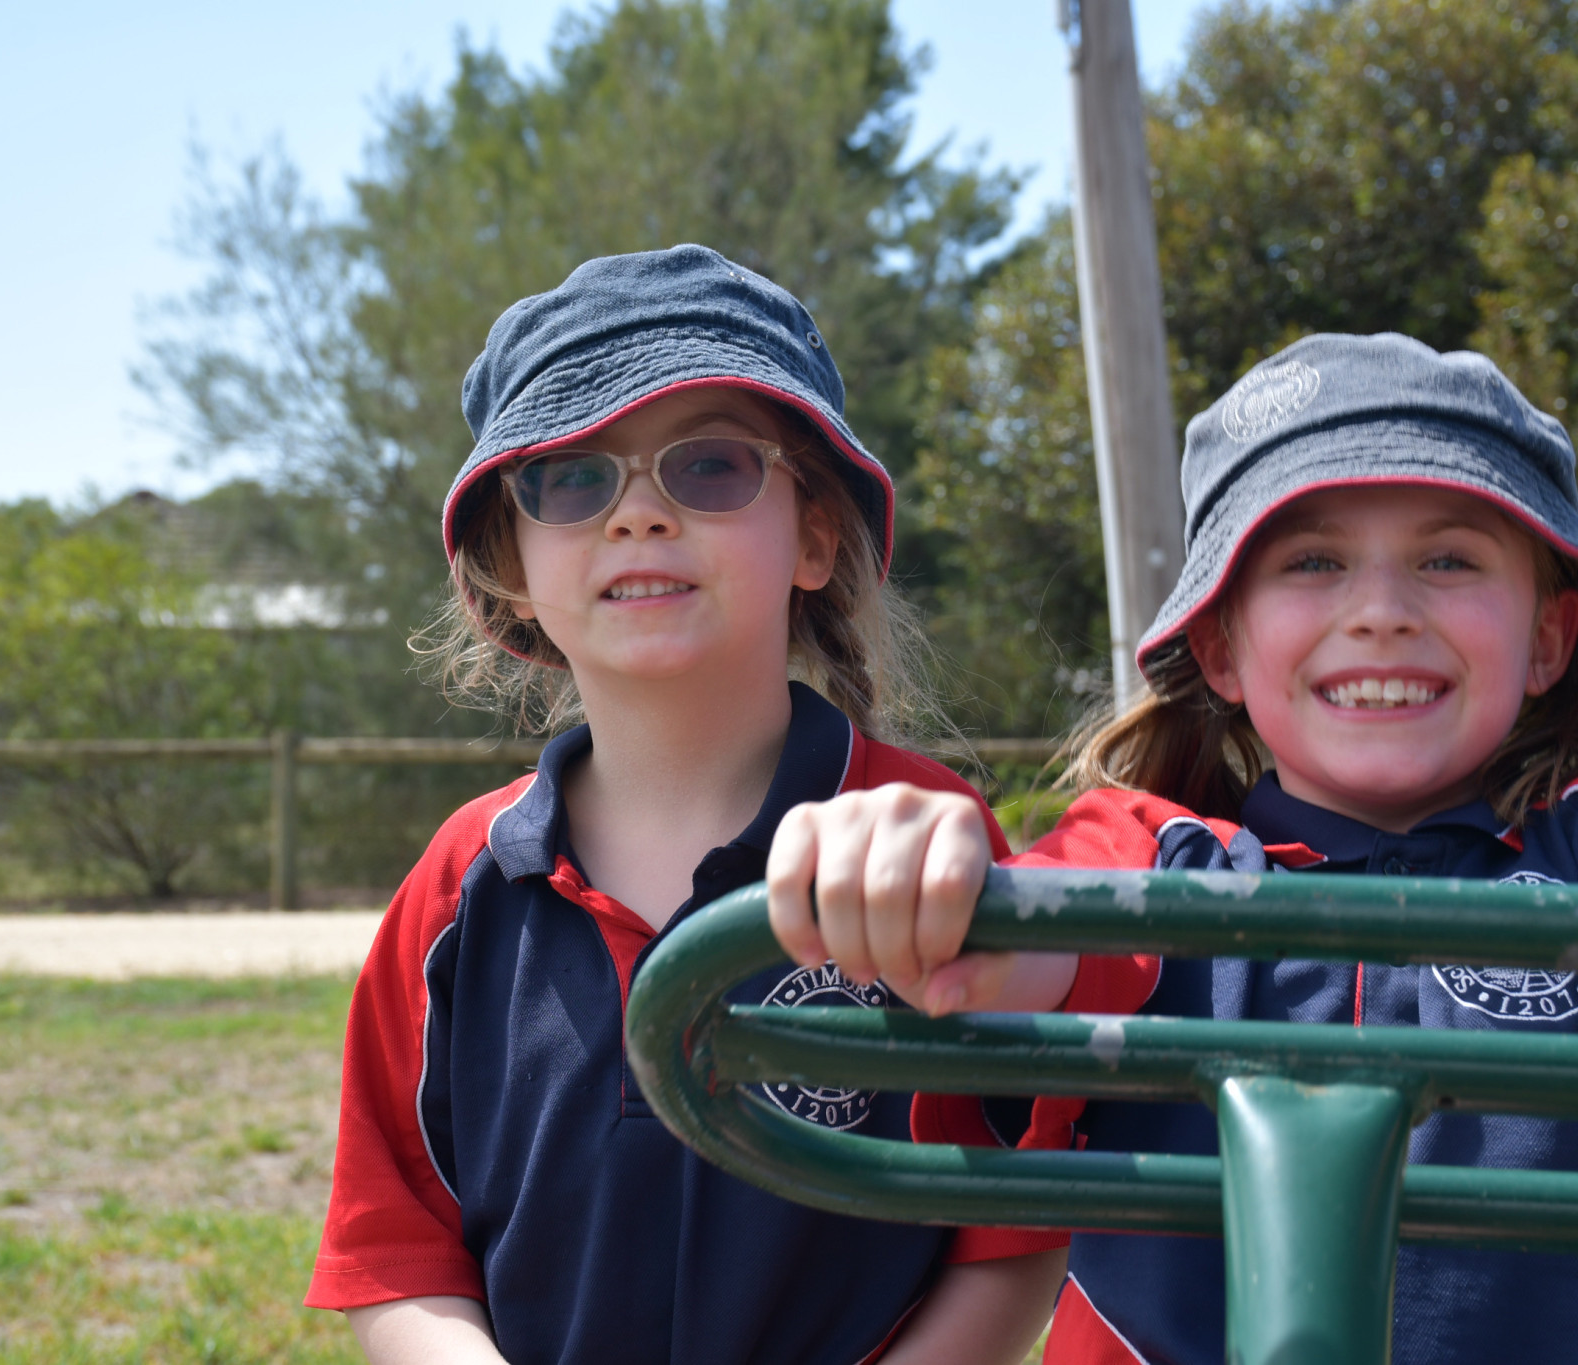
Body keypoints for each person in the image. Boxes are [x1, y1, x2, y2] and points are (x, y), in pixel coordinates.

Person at [765, 333, 1578, 1365]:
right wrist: (931, 881)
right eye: (1312, 562)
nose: (1381, 607)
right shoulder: (1148, 858)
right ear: (1223, 651)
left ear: (1548, 639)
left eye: (1448, 558)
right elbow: (1007, 956)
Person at [306, 246, 1067, 1365]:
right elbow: (394, 1248)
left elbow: (1010, 1228)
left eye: (708, 466)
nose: (638, 516)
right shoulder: (459, 882)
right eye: (570, 477)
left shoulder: (922, 836)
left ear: (814, 536)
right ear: (509, 564)